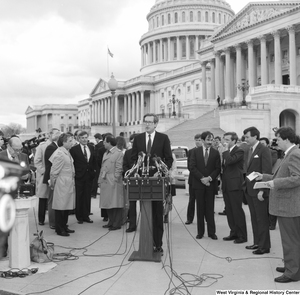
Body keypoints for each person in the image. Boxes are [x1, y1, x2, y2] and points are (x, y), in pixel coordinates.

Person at [255, 127, 300, 283]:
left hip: (289, 205)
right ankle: (292, 266)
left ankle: (292, 272)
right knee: (292, 239)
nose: (276, 142)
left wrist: (274, 183)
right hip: (288, 204)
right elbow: (283, 175)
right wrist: (265, 177)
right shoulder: (290, 154)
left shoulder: (294, 154)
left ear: (287, 139)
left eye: (278, 139)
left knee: (290, 240)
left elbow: (297, 178)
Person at [131, 113, 173, 254]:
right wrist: (135, 170)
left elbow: (168, 159)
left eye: (150, 122)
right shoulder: (138, 139)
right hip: (141, 182)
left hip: (157, 182)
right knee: (145, 213)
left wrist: (160, 172)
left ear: (156, 124)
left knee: (157, 215)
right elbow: (133, 158)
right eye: (145, 122)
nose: (147, 124)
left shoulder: (163, 138)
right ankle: (145, 243)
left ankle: (157, 244)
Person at [243, 126, 272, 255]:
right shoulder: (250, 149)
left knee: (261, 219)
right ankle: (257, 242)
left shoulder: (263, 150)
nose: (246, 139)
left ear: (255, 136)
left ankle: (264, 246)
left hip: (259, 191)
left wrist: (262, 190)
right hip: (250, 190)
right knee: (254, 218)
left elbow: (266, 171)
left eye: (247, 137)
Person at [0, 136, 30, 257]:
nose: (18, 152)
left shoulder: (24, 156)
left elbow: (28, 171)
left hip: (20, 193)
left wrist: (26, 176)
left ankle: (20, 251)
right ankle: (3, 250)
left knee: (19, 222)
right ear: (8, 146)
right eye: (16, 149)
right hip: (4, 195)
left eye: (20, 149)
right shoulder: (1, 155)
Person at [190, 131, 221, 240]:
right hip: (199, 184)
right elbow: (192, 167)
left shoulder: (216, 152)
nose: (210, 142)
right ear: (202, 140)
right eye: (208, 140)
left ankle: (212, 233)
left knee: (210, 208)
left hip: (210, 184)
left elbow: (218, 168)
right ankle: (200, 232)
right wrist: (202, 178)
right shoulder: (195, 152)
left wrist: (209, 178)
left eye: (211, 140)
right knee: (200, 208)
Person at [222, 132, 247, 244]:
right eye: (224, 139)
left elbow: (230, 161)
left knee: (237, 211)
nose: (224, 142)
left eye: (227, 140)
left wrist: (225, 150)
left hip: (235, 185)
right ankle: (234, 232)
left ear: (234, 140)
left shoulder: (239, 150)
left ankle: (242, 235)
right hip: (226, 185)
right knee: (229, 210)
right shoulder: (226, 152)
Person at [49, 133, 75, 237]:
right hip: (62, 183)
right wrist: (52, 184)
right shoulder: (60, 153)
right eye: (69, 141)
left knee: (66, 206)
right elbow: (54, 171)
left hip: (67, 182)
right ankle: (59, 229)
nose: (72, 143)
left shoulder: (66, 152)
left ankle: (64, 226)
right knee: (60, 207)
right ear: (63, 142)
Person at [70, 131, 96, 224]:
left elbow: (93, 161)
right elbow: (72, 163)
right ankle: (79, 216)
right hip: (79, 176)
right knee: (79, 196)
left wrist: (93, 172)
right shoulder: (74, 149)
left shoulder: (91, 147)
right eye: (82, 138)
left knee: (87, 196)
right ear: (79, 139)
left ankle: (86, 215)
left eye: (86, 137)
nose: (84, 139)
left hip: (89, 176)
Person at [99, 136, 124, 230]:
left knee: (116, 203)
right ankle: (111, 221)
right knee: (108, 203)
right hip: (105, 179)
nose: (103, 144)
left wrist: (115, 179)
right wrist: (99, 180)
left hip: (113, 180)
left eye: (105, 142)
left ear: (109, 143)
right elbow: (102, 168)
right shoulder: (106, 153)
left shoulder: (118, 153)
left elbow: (119, 168)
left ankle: (116, 223)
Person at [43, 128, 61, 229]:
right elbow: (55, 163)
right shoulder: (51, 147)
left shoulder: (57, 146)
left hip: (57, 177)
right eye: (57, 133)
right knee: (52, 200)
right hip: (51, 177)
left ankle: (57, 221)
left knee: (57, 200)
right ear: (51, 135)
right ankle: (53, 222)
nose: (59, 134)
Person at [259, 137, 278, 230]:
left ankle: (272, 223)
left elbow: (271, 163)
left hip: (272, 177)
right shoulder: (257, 152)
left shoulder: (273, 152)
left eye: (263, 143)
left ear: (267, 144)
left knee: (271, 201)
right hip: (263, 177)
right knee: (266, 202)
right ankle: (267, 221)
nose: (261, 145)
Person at [34, 132, 51, 225]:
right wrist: (44, 171)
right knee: (43, 198)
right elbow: (37, 161)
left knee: (53, 198)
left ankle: (53, 219)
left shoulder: (59, 146)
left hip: (54, 175)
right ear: (50, 135)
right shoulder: (42, 146)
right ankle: (41, 219)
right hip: (44, 175)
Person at [123, 133, 139, 232]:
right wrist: (130, 174)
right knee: (132, 205)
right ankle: (132, 225)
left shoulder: (144, 153)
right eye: (132, 142)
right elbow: (124, 166)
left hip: (143, 182)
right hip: (132, 181)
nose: (134, 144)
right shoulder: (128, 153)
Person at [185, 133, 202, 225]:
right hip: (193, 179)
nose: (197, 142)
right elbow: (189, 166)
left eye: (199, 140)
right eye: (196, 140)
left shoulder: (206, 151)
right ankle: (189, 218)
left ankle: (204, 218)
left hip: (203, 179)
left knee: (203, 201)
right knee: (192, 200)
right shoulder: (191, 151)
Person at [91, 133, 104, 199]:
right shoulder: (104, 144)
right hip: (104, 164)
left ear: (97, 138)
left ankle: (93, 193)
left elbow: (95, 156)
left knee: (96, 179)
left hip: (98, 165)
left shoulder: (97, 146)